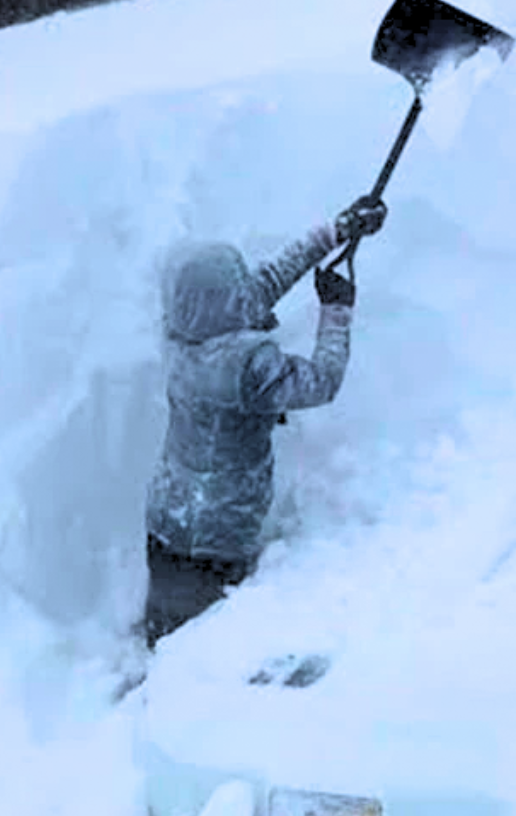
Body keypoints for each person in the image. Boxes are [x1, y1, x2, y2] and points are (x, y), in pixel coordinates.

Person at [141, 195, 388, 649]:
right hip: (218, 537)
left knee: (164, 631)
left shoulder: (180, 331)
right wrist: (336, 311)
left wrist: (337, 230)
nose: (247, 290)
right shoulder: (245, 367)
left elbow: (264, 284)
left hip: (167, 519)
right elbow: (322, 381)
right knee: (201, 648)